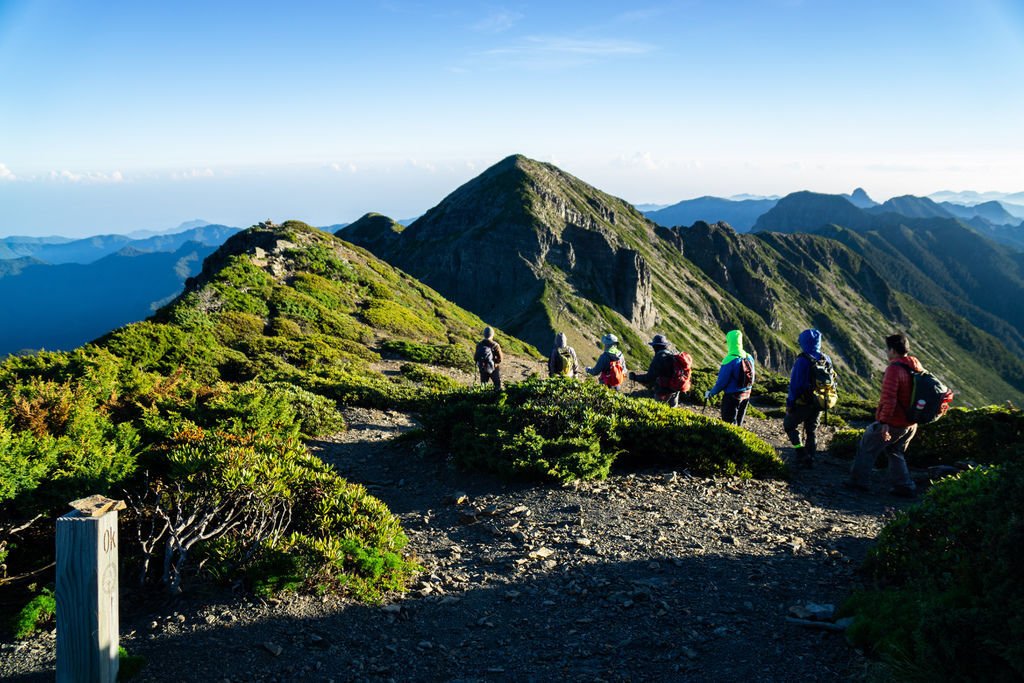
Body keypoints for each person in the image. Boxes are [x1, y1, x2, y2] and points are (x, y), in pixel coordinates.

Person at [845, 333, 920, 498]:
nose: (887, 352)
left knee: (867, 446)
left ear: (892, 350)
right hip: (911, 423)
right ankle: (904, 486)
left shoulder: (894, 369)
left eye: (887, 349)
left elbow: (889, 398)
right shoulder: (915, 365)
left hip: (894, 422)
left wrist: (884, 422)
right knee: (895, 451)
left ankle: (858, 482)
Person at [784, 328, 832, 468]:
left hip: (803, 402)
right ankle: (810, 457)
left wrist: (790, 403)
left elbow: (795, 384)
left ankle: (800, 451)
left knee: (789, 425)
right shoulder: (826, 358)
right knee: (811, 430)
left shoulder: (802, 360)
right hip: (819, 401)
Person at [704, 329, 756, 426]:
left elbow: (721, 383)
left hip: (732, 396)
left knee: (728, 423)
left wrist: (711, 393)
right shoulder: (749, 357)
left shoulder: (729, 360)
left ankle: (728, 439)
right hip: (746, 395)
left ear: (730, 343)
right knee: (739, 422)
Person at [629, 334, 686, 407]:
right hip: (675, 391)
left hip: (663, 393)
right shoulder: (672, 355)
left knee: (659, 413)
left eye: (653, 346)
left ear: (656, 346)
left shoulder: (659, 358)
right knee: (671, 414)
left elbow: (649, 378)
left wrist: (635, 377)